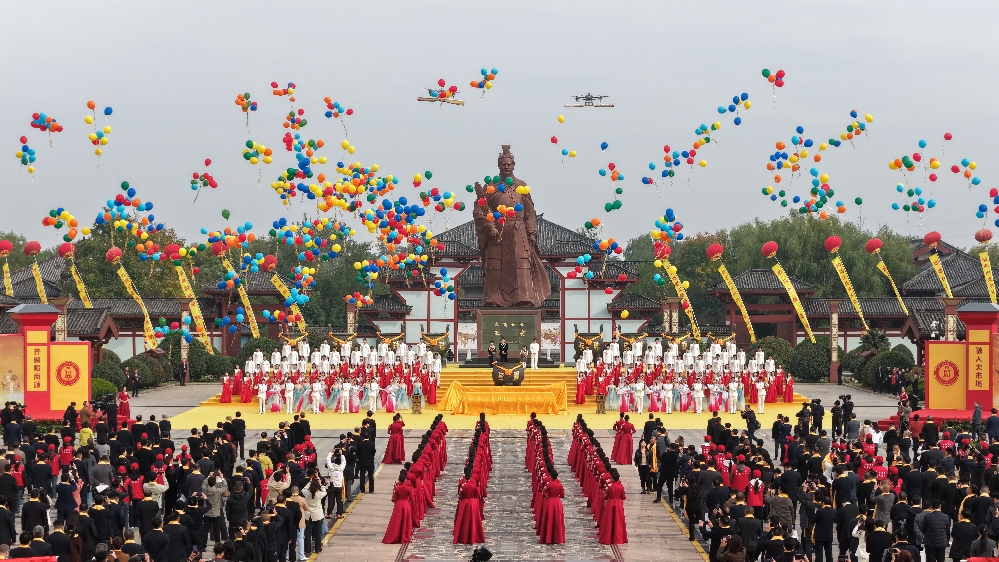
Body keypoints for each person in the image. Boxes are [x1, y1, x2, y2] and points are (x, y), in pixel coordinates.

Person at [598, 469, 627, 545]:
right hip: (619, 504)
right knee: (618, 522)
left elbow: (606, 496)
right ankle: (619, 537)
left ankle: (608, 537)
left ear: (613, 479)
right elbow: (623, 497)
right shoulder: (621, 486)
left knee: (609, 521)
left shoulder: (610, 487)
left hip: (610, 504)